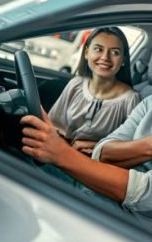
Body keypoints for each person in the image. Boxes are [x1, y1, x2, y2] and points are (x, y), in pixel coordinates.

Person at [21, 31, 152, 226]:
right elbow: (102, 151)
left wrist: (62, 154)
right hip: (97, 191)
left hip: (124, 220)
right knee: (21, 162)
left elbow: (147, 195)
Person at [48, 27, 141, 155]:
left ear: (123, 60)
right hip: (61, 155)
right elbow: (54, 127)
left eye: (114, 52)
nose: (105, 57)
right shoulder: (75, 85)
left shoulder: (131, 99)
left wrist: (97, 146)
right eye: (98, 49)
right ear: (86, 53)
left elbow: (134, 147)